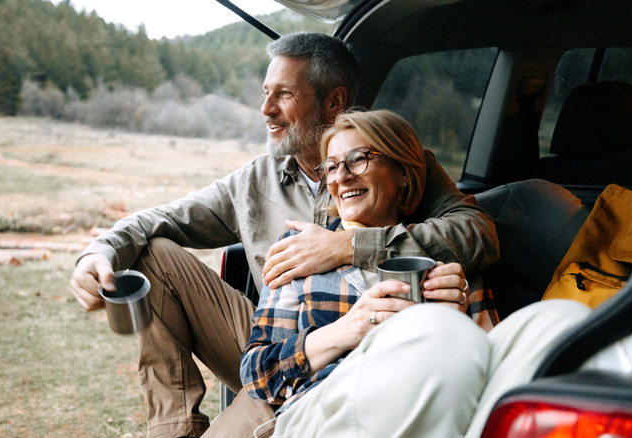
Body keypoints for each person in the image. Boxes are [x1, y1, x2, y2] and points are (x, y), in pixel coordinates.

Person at [69, 32, 499, 438]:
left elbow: (476, 234)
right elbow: (161, 218)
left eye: (284, 94)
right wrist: (99, 253)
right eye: (265, 93)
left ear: (334, 102)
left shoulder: (395, 165)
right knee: (153, 253)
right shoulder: (253, 181)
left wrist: (345, 246)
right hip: (273, 343)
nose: (266, 109)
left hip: (377, 355)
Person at [240, 110, 591, 437]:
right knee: (436, 330)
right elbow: (257, 372)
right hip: (328, 406)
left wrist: (461, 321)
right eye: (330, 167)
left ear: (403, 175)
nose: (342, 176)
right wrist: (348, 329)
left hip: (450, 404)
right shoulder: (299, 250)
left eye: (358, 159)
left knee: (560, 320)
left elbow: (493, 360)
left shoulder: (444, 253)